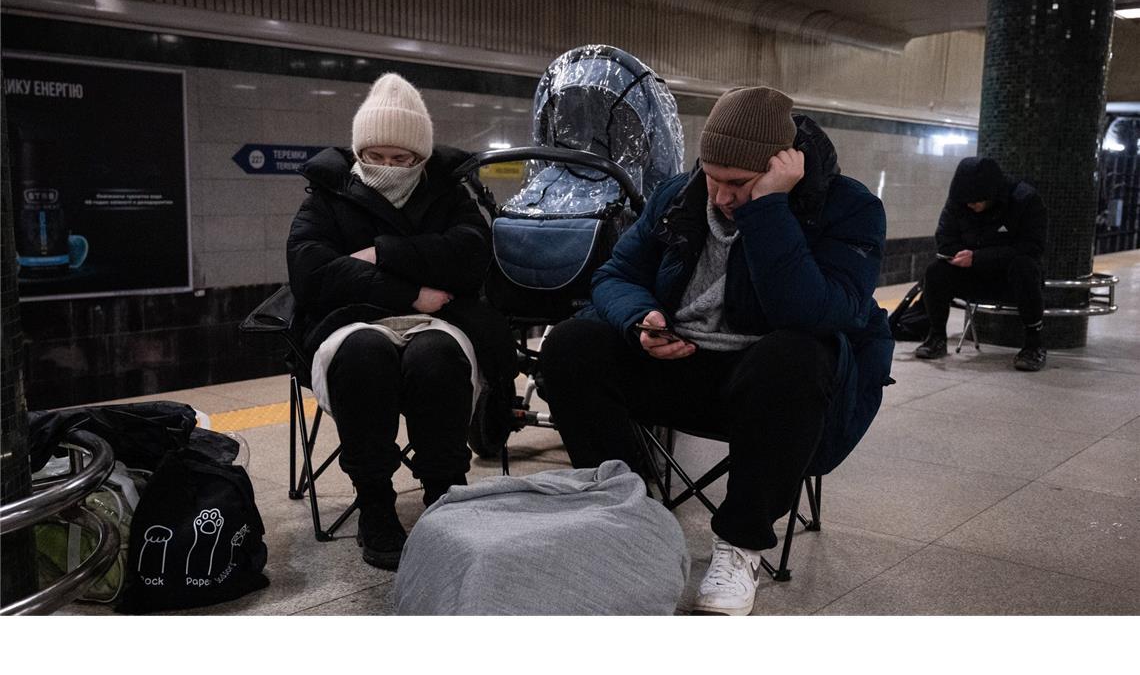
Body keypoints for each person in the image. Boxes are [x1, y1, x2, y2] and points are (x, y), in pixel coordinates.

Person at [540, 86, 894, 615]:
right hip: (678, 360)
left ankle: (741, 545)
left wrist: (770, 208)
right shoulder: (681, 194)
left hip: (769, 392)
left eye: (739, 183)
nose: (722, 196)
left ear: (783, 167)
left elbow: (816, 314)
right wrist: (642, 320)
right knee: (572, 343)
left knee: (797, 354)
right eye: (712, 176)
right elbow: (616, 276)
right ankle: (627, 514)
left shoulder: (849, 210)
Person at [286, 73, 514, 570]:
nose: (387, 168)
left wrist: (381, 252)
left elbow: (472, 256)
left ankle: (444, 498)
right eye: (375, 156)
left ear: (422, 159)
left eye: (402, 159)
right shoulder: (327, 192)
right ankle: (375, 503)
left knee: (436, 359)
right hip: (354, 322)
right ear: (358, 151)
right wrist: (409, 290)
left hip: (440, 323)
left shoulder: (448, 192)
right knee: (363, 357)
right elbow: (310, 270)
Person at [914, 156, 1048, 371]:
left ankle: (1034, 344)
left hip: (1010, 278)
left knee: (1025, 267)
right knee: (936, 271)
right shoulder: (959, 203)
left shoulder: (1025, 200)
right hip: (972, 275)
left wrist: (978, 257)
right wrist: (958, 256)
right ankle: (937, 336)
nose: (971, 206)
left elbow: (1031, 247)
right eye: (967, 203)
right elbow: (945, 239)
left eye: (977, 202)